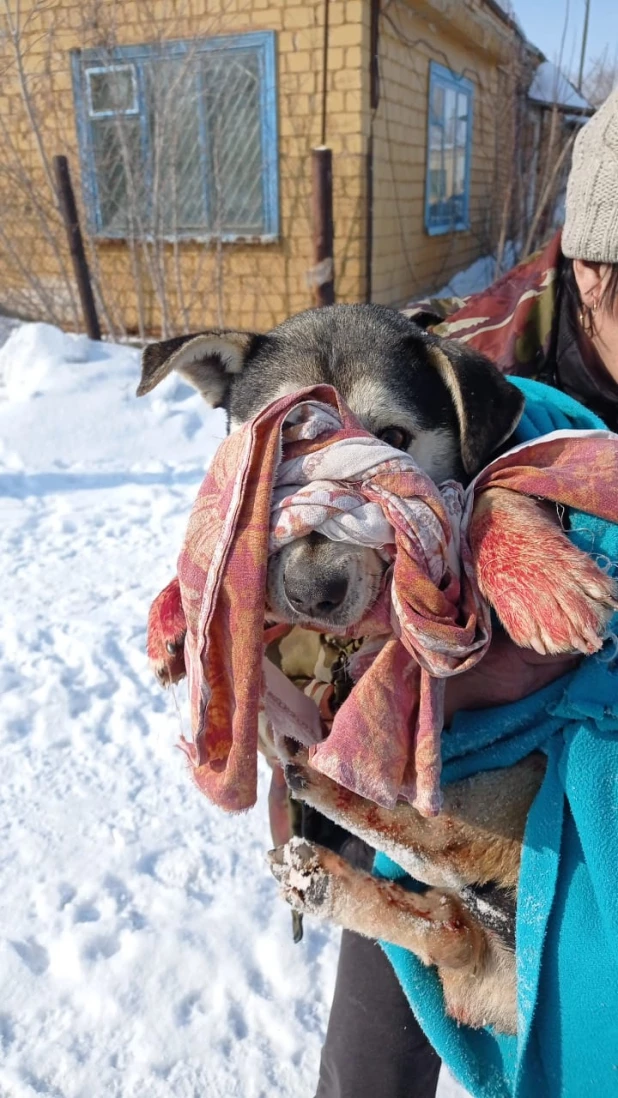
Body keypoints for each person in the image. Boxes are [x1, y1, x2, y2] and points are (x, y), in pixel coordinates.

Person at [313, 86, 618, 1098]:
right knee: (369, 1070)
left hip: (595, 820)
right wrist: (490, 524)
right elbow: (327, 536)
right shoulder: (462, 369)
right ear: (589, 270)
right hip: (434, 792)